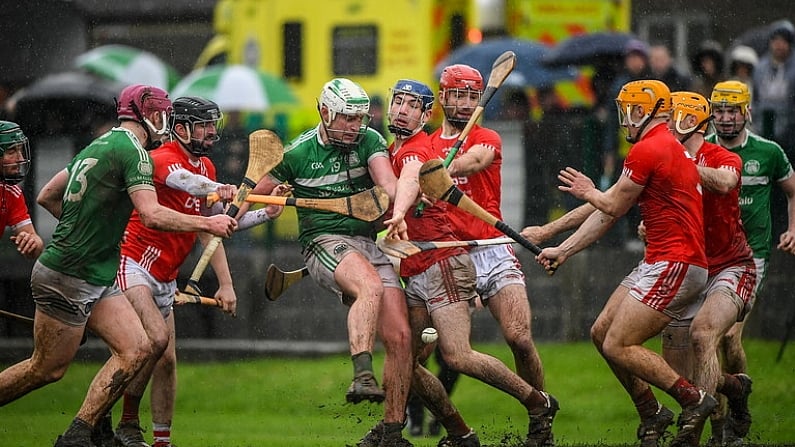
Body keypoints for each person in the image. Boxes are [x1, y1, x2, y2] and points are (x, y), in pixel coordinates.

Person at [0, 84, 237, 447]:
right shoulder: (137, 154)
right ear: (145, 113)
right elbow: (152, 214)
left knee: (139, 348)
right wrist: (207, 223)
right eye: (160, 112)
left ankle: (81, 432)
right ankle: (89, 431)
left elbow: (48, 194)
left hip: (95, 271)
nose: (165, 119)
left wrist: (89, 229)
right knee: (46, 369)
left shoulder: (100, 144)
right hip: (69, 272)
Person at [533, 79, 716, 447]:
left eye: (626, 111)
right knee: (601, 333)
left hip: (676, 263)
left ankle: (693, 400)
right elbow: (608, 212)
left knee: (618, 344)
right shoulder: (660, 146)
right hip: (661, 261)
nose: (623, 121)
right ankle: (652, 412)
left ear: (641, 110)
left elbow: (610, 206)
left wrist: (588, 191)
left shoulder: (649, 150)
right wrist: (563, 249)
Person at [105, 96, 288, 447]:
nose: (210, 132)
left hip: (165, 276)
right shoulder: (160, 159)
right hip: (134, 264)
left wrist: (265, 214)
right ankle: (123, 423)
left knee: (167, 361)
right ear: (182, 127)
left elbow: (218, 225)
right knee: (154, 342)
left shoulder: (207, 168)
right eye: (203, 125)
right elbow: (182, 181)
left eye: (211, 124)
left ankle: (161, 441)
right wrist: (218, 189)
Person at [247, 78, 414, 447]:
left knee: (402, 337)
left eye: (360, 119)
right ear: (325, 112)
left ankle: (391, 431)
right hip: (324, 241)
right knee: (368, 285)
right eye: (348, 120)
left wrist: (399, 205)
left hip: (369, 243)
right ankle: (362, 374)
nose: (356, 127)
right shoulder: (298, 153)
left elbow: (387, 180)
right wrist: (231, 207)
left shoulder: (369, 140)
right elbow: (253, 193)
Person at [428, 65, 558, 446]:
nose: (466, 104)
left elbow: (477, 161)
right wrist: (429, 167)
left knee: (519, 336)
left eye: (473, 96)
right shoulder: (428, 144)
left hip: (493, 248)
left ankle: (540, 424)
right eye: (458, 95)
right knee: (438, 350)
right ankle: (435, 427)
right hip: (450, 254)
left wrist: (439, 168)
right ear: (442, 98)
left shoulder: (488, 137)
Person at [661, 91, 757, 446]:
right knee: (676, 373)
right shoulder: (662, 158)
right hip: (685, 268)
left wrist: (681, 163)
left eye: (672, 119)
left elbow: (726, 182)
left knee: (704, 336)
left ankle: (708, 433)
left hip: (731, 266)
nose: (666, 126)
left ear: (690, 121)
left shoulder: (723, 157)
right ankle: (735, 386)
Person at [706, 80, 795, 445]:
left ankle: (732, 418)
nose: (725, 119)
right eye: (719, 111)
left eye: (732, 111)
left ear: (747, 113)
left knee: (725, 336)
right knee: (703, 342)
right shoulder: (701, 149)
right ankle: (720, 424)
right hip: (708, 257)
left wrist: (793, 228)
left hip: (750, 258)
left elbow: (792, 190)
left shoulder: (768, 152)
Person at [0, 120, 43, 260]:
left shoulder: (11, 193)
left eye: (20, 150)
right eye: (12, 151)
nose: (21, 158)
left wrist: (31, 243)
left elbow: (36, 244)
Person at [752, 20, 795, 149]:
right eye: (775, 40)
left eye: (783, 41)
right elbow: (756, 97)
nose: (779, 45)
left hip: (790, 128)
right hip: (764, 125)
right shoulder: (761, 67)